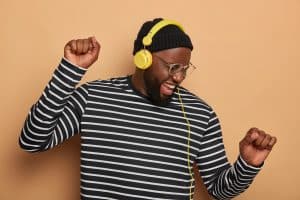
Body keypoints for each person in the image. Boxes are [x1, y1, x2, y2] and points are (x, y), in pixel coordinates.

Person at [19, 18, 277, 200]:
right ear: (142, 58)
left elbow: (220, 191)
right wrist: (70, 70)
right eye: (172, 67)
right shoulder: (93, 98)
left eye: (184, 68)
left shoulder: (200, 115)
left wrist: (247, 164)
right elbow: (32, 141)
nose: (179, 77)